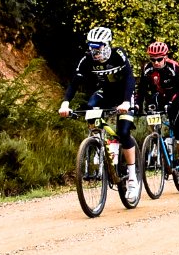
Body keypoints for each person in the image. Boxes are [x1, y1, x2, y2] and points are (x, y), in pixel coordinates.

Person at [58, 25, 139, 204]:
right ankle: (98, 143)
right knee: (91, 107)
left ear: (107, 45)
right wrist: (65, 104)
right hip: (105, 93)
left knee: (124, 132)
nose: (95, 52)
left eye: (98, 47)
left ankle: (132, 179)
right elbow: (74, 83)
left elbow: (129, 79)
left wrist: (126, 102)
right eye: (91, 47)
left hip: (125, 94)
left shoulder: (119, 55)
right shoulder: (86, 60)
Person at [137, 41, 179, 185]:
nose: (156, 62)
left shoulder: (174, 67)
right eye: (153, 59)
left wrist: (171, 103)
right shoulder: (147, 69)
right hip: (160, 96)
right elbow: (142, 89)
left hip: (178, 95)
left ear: (165, 57)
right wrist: (137, 104)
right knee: (151, 106)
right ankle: (156, 138)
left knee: (178, 128)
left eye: (159, 59)